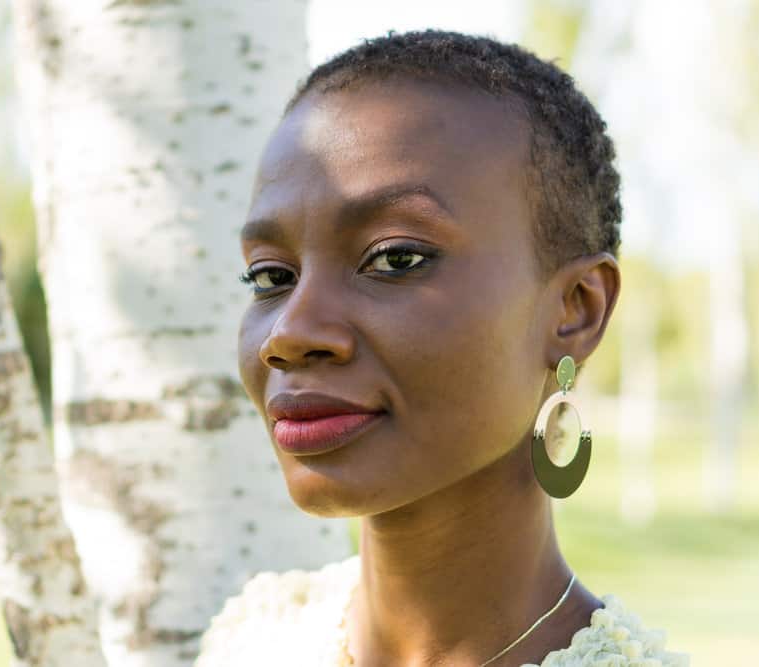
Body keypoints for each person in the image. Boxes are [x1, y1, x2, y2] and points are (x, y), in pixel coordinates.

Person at [194, 29, 689, 667]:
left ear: (576, 310)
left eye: (396, 259)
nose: (289, 334)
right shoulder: (252, 643)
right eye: (270, 277)